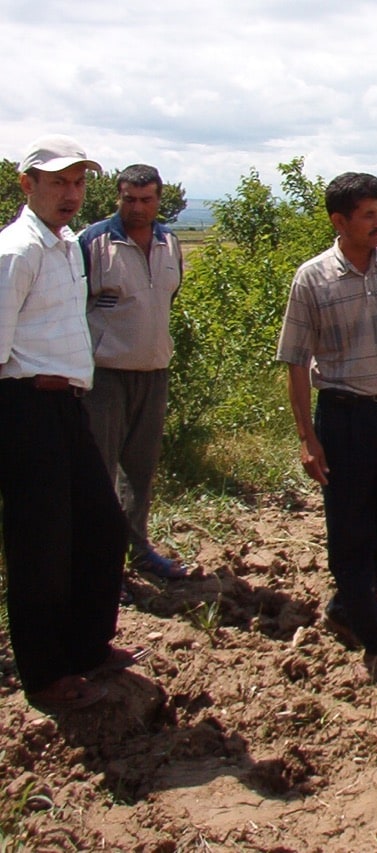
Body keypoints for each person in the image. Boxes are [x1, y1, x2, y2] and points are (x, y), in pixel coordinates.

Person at [0, 135, 140, 713]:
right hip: (25, 405)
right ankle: (44, 673)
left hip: (64, 406)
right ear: (27, 184)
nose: (71, 194)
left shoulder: (63, 245)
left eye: (79, 183)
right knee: (40, 545)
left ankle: (86, 646)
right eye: (58, 182)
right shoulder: (17, 250)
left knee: (101, 526)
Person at [276, 172, 377, 685]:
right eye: (368, 215)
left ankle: (346, 605)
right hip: (345, 418)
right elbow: (296, 362)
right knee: (349, 533)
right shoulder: (312, 279)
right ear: (339, 221)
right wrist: (307, 437)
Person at [80, 164, 188, 597]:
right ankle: (100, 566)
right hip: (104, 376)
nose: (137, 208)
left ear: (159, 199)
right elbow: (75, 306)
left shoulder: (170, 242)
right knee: (99, 474)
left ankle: (138, 551)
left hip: (154, 372)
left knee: (139, 473)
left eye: (146, 200)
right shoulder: (92, 243)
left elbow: (168, 298)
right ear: (117, 198)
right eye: (129, 199)